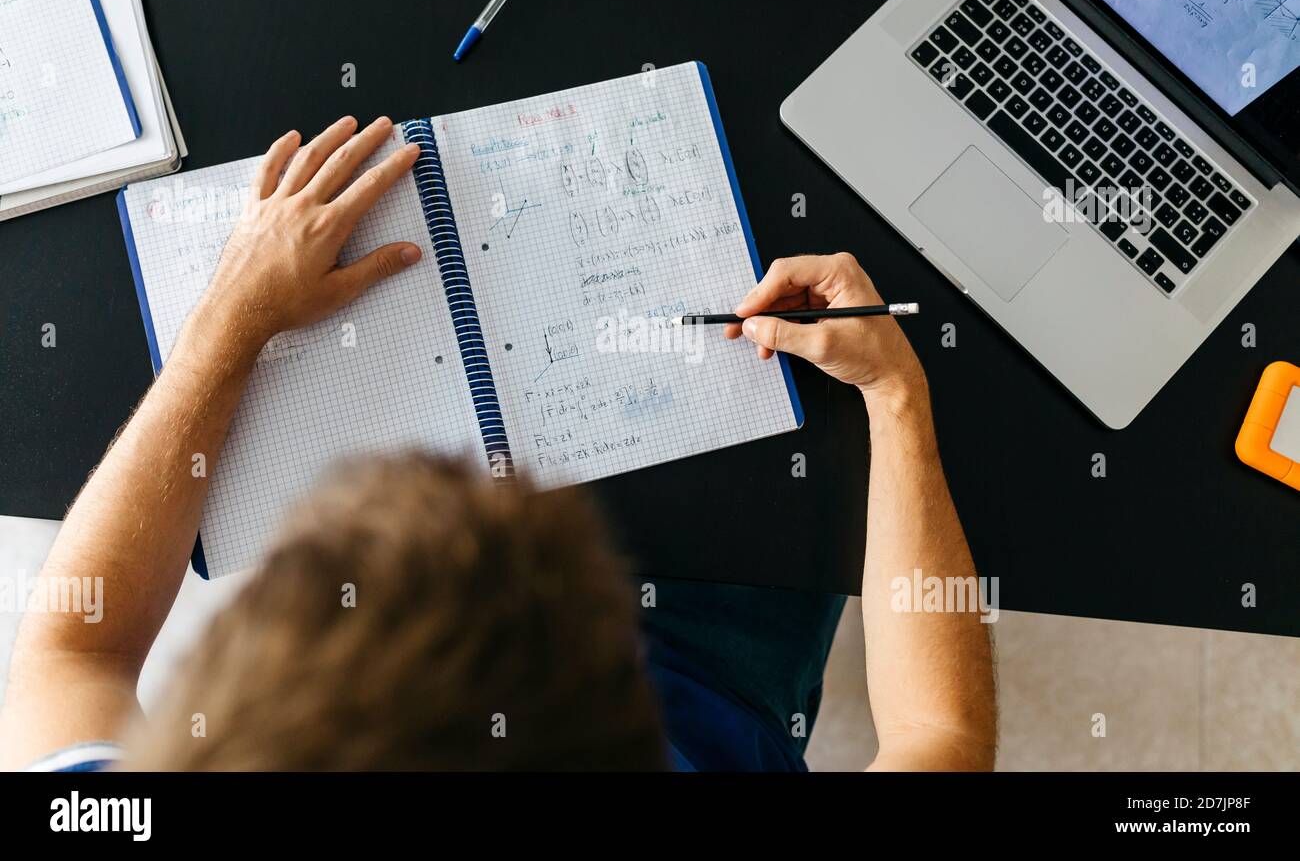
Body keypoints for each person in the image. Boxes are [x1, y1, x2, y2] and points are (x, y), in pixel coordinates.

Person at [0, 117, 995, 772]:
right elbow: (939, 734)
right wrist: (894, 394)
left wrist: (224, 327)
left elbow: (71, 643)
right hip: (714, 654)